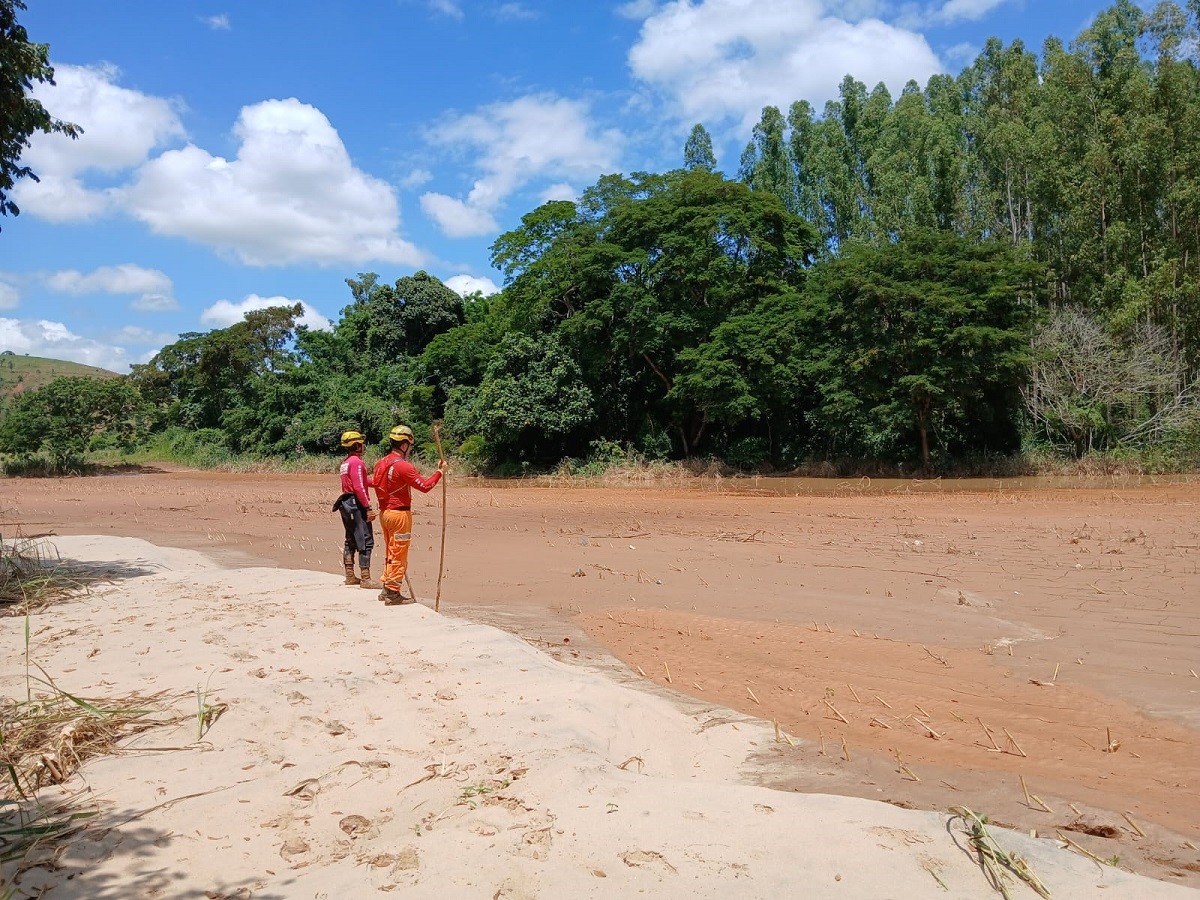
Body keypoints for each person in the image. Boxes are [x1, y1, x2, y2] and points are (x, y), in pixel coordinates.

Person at [372, 424, 445, 605]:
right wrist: (439, 473)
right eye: (410, 446)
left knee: (390, 550)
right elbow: (425, 486)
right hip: (399, 515)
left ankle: (387, 587)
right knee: (399, 552)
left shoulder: (381, 463)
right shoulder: (403, 466)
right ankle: (393, 593)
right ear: (404, 445)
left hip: (385, 513)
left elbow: (374, 482)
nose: (410, 449)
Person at [332, 430, 376, 589]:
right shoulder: (357, 462)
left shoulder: (345, 463)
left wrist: (376, 482)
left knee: (350, 538)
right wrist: (368, 507)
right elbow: (358, 487)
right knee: (366, 539)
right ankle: (366, 578)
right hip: (355, 503)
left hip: (345, 503)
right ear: (356, 445)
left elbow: (361, 481)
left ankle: (350, 575)